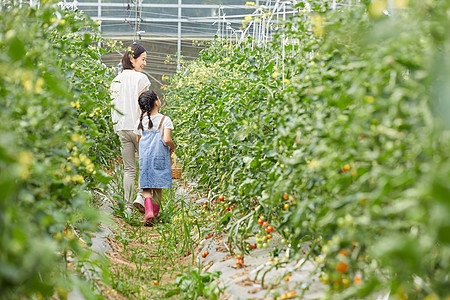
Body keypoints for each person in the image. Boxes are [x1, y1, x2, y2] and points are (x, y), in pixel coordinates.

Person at [110, 43, 150, 214]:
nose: (145, 63)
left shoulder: (115, 80)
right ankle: (140, 197)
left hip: (121, 128)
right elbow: (144, 107)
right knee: (144, 165)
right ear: (132, 59)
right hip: (138, 128)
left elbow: (113, 106)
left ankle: (127, 208)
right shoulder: (140, 79)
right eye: (143, 59)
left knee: (129, 169)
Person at [134, 90, 176, 224]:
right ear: (156, 102)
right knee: (158, 188)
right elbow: (167, 139)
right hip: (160, 157)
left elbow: (139, 139)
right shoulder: (165, 119)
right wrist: (173, 147)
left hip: (145, 158)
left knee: (146, 187)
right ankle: (155, 215)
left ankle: (148, 211)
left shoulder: (140, 122)